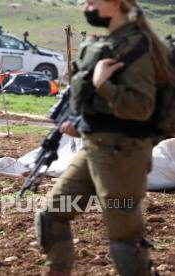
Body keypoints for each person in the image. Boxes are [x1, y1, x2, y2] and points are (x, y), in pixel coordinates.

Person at [34, 0, 172, 275]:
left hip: (124, 151)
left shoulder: (137, 46)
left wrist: (102, 84)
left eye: (91, 2)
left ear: (114, 4)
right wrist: (81, 123)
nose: (86, 7)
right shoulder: (112, 42)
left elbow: (140, 107)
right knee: (50, 215)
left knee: (124, 238)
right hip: (95, 146)